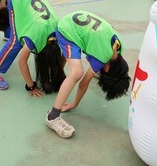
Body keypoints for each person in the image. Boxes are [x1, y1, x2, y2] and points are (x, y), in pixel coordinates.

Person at [45, 10, 130, 138]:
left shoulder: (119, 47)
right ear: (106, 68)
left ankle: (58, 74)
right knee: (77, 72)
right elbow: (83, 84)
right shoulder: (103, 57)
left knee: (82, 65)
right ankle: (53, 116)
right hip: (66, 30)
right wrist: (74, 103)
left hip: (76, 20)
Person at [0, 0, 64, 93]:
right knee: (16, 41)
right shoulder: (33, 40)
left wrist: (57, 72)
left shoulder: (61, 34)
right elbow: (22, 62)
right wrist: (31, 86)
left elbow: (64, 57)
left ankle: (10, 32)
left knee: (24, 30)